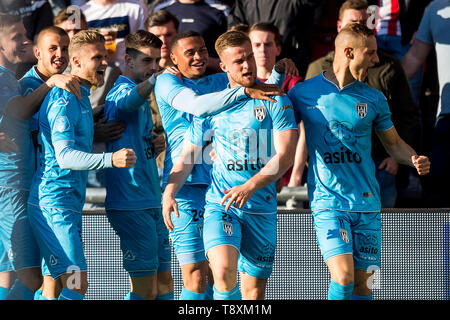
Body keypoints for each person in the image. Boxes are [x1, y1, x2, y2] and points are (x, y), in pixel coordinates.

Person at [288, 23, 430, 300]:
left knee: (367, 288)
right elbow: (275, 125)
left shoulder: (374, 98)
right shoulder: (304, 93)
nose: (377, 60)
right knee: (342, 277)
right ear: (349, 52)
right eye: (371, 53)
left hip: (367, 204)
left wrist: (413, 158)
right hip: (329, 204)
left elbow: (394, 144)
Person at [155, 30, 293, 299]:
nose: (246, 65)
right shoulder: (181, 90)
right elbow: (188, 154)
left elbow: (285, 155)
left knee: (252, 293)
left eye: (249, 58)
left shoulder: (272, 98)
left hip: (260, 205)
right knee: (217, 272)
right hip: (219, 200)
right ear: (225, 66)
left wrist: (279, 70)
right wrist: (169, 193)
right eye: (239, 61)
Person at [27, 29, 136, 300]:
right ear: (75, 62)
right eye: (96, 57)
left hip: (66, 204)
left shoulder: (81, 94)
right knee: (77, 284)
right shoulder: (65, 98)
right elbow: (64, 157)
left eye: (106, 57)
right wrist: (110, 159)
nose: (104, 64)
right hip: (54, 205)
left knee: (53, 287)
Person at [304, 0, 419, 208]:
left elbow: (408, 114)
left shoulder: (388, 66)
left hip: (379, 168)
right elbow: (305, 121)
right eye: (352, 23)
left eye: (364, 23)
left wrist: (396, 158)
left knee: (380, 236)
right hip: (332, 175)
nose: (359, 28)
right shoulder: (317, 69)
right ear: (339, 27)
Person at [0, 13, 80, 300]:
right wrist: (50, 83)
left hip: (24, 188)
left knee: (21, 275)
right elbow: (19, 111)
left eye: (25, 34)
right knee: (37, 276)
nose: (24, 40)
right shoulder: (15, 82)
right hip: (16, 190)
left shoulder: (11, 78)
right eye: (16, 37)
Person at [103, 30, 173, 300]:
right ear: (127, 59)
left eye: (157, 61)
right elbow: (127, 103)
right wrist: (158, 78)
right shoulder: (120, 90)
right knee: (145, 289)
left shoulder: (143, 94)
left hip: (152, 201)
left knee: (165, 282)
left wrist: (153, 141)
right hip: (130, 204)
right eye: (147, 61)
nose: (153, 67)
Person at [19, 25, 71, 300]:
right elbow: (19, 117)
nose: (60, 54)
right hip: (28, 195)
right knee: (32, 277)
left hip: (50, 197)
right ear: (37, 52)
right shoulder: (25, 87)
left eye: (65, 48)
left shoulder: (69, 84)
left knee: (52, 277)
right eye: (53, 48)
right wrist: (50, 84)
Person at [401, 0, 450, 208]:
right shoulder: (435, 8)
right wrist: (379, 90)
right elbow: (414, 57)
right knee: (440, 193)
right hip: (447, 117)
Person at [248, 22, 307, 189]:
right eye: (256, 45)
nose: (262, 50)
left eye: (267, 44)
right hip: (250, 175)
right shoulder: (240, 86)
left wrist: (296, 174)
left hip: (287, 176)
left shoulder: (293, 83)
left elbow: (304, 129)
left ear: (278, 49)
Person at [152, 0, 228, 73]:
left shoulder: (221, 9)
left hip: (211, 75)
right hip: (170, 72)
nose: (164, 40)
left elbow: (230, 50)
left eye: (168, 35)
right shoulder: (161, 8)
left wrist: (201, 60)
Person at [81, 0, 149, 72]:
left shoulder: (137, 7)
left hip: (128, 75)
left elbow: (145, 45)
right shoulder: (82, 12)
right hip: (95, 74)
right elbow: (77, 48)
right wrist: (96, 44)